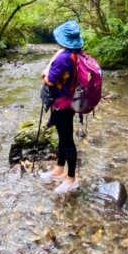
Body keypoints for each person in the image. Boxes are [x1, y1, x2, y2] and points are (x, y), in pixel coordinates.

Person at [40, 20, 83, 194]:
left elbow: (49, 80)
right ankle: (59, 170)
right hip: (69, 101)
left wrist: (44, 73)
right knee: (62, 137)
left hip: (62, 105)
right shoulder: (74, 54)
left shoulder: (64, 58)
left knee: (67, 140)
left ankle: (71, 178)